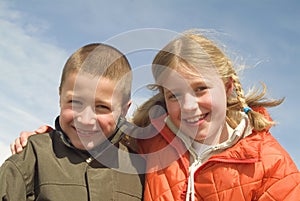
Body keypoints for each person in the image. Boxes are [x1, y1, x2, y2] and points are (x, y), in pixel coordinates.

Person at [9, 31, 300, 200]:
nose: (188, 106)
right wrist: (51, 136)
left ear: (226, 87)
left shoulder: (273, 166)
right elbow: (100, 131)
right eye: (174, 95)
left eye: (200, 89)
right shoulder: (151, 143)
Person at [0, 43, 145, 200]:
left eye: (102, 107)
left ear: (124, 109)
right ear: (60, 96)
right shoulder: (34, 156)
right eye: (75, 103)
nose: (86, 119)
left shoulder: (138, 169)